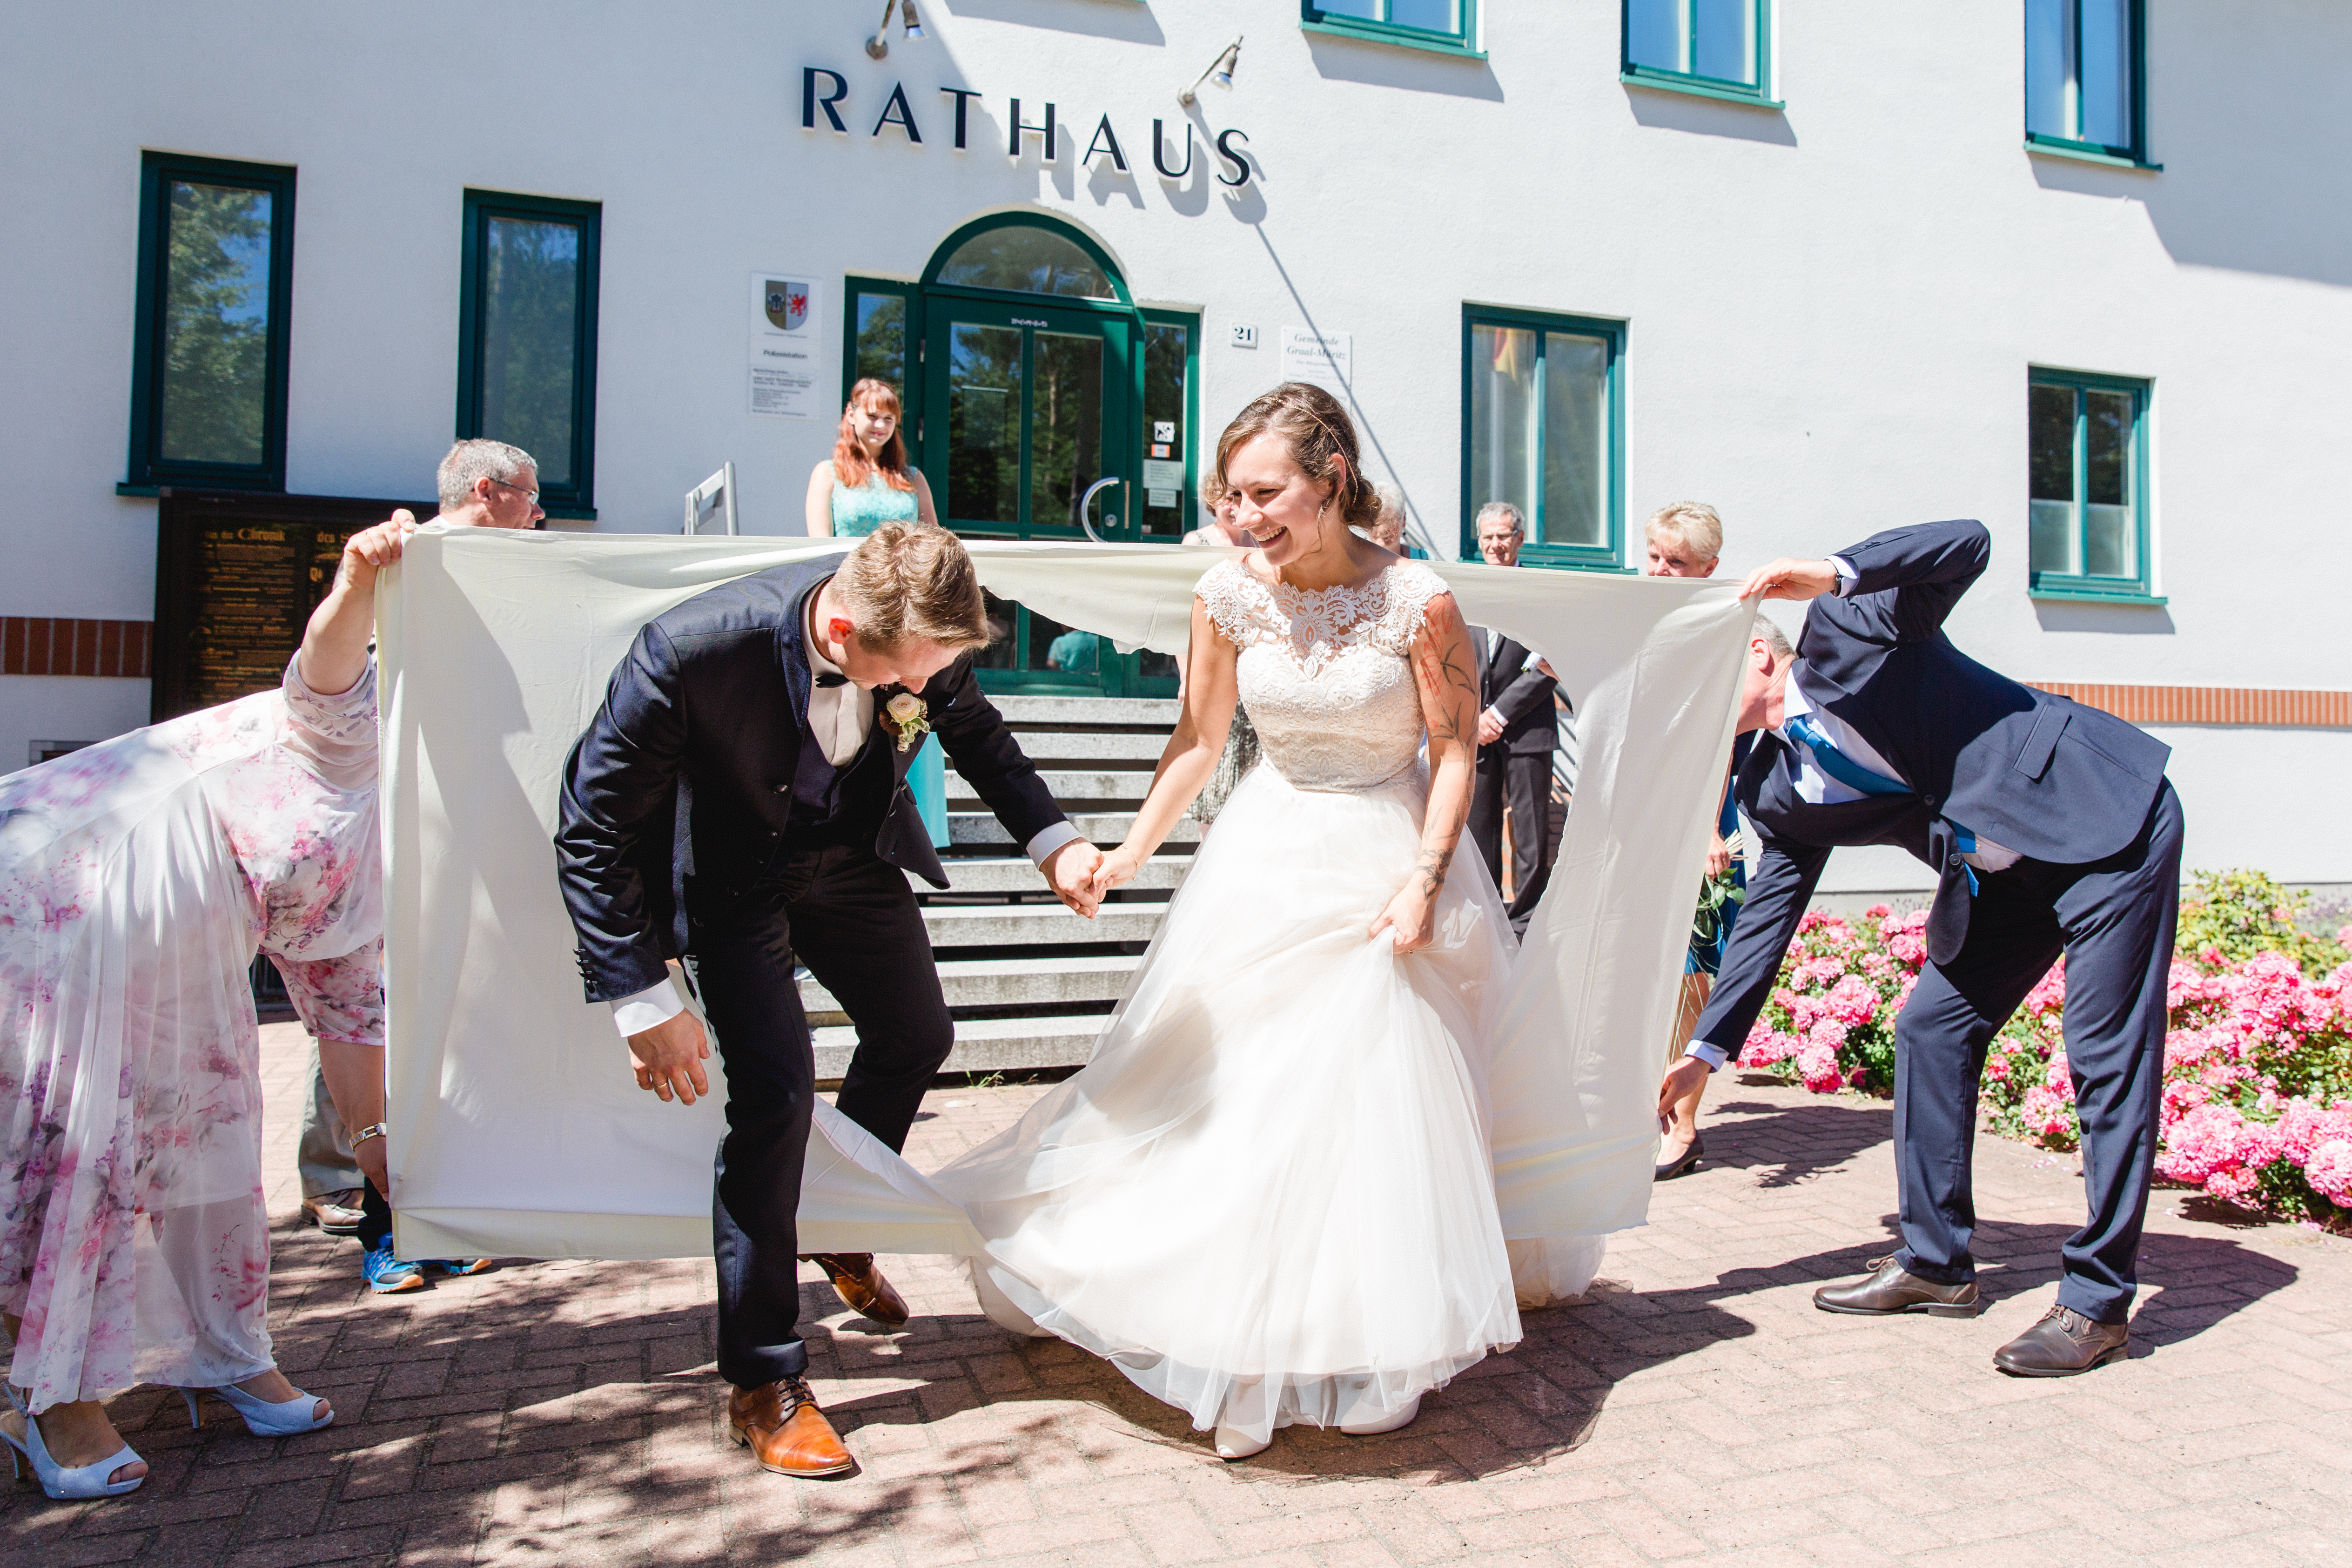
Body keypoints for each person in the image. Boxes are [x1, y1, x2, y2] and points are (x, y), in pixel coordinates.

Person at [935, 383, 1521, 1461]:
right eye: (1231, 494)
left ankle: (1363, 1338)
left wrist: (1427, 880)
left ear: (1331, 477)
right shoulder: (1226, 595)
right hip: (1262, 856)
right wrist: (1125, 851)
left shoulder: (1420, 603)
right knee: (1237, 1099)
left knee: (1359, 1112)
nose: (1243, 514)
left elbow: (1454, 752)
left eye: (1265, 492)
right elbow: (1200, 741)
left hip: (1383, 857)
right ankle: (1229, 1335)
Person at [554, 523, 1105, 1480]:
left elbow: (976, 733)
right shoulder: (690, 651)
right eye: (919, 672)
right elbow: (593, 824)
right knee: (774, 1099)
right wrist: (643, 996)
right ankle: (762, 1381)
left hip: (851, 859)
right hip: (731, 884)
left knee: (917, 1033)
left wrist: (1052, 840)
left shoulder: (922, 638)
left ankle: (838, 1219)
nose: (931, 688)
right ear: (845, 626)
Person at [1655, 519, 2183, 1377]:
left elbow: (1966, 543)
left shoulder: (1850, 630)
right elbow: (1766, 915)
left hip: (2103, 825)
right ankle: (1935, 1264)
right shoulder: (1772, 784)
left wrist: (1831, 572)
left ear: (1755, 653)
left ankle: (2095, 1302)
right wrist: (1704, 1052)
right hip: (2005, 878)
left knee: (2102, 1054)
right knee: (1930, 1029)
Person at [0, 515, 434, 1500]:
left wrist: (384, 1166)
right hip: (67, 905)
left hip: (189, 957)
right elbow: (325, 661)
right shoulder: (363, 729)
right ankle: (52, 1402)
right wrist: (358, 576)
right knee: (81, 1157)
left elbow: (347, 1012)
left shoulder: (422, 867)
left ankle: (224, 1354)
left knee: (219, 1135)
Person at [299, 439, 544, 1259]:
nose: (540, 511)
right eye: (531, 496)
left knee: (449, 1011)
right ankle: (372, 1207)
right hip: (376, 832)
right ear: (488, 490)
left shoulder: (509, 574)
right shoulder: (401, 564)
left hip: (466, 824)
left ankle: (438, 1205)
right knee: (367, 1010)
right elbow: (331, 680)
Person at [1643, 502, 1746, 1181]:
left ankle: (1683, 1124)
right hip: (1646, 809)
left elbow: (1723, 738)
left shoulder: (1721, 632)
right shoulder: (1650, 619)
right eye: (1653, 555)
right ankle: (1647, 1104)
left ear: (1708, 570)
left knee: (1690, 975)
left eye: (1675, 562)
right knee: (1648, 969)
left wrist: (1710, 829)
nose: (1658, 569)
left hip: (1701, 813)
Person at [805, 379, 949, 848]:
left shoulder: (912, 477)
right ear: (850, 415)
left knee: (909, 704)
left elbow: (933, 543)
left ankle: (908, 827)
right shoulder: (827, 473)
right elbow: (817, 544)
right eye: (872, 414)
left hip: (905, 612)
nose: (880, 425)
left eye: (889, 417)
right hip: (852, 606)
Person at [1464, 503, 1561, 939]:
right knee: (1476, 829)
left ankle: (1526, 924)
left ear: (1519, 539)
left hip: (1527, 729)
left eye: (1503, 536)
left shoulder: (1541, 591)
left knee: (1531, 836)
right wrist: (1472, 718)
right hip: (1475, 733)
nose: (1495, 545)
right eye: (1487, 537)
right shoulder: (1468, 592)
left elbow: (1548, 660)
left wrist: (1498, 713)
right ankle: (1486, 922)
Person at [1182, 476, 1259, 827]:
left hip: (1251, 677)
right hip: (1213, 671)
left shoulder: (1260, 543)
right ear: (1213, 501)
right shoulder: (1197, 542)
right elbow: (1183, 619)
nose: (1233, 506)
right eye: (1228, 498)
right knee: (1213, 777)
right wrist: (1187, 675)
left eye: (1239, 498)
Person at [1365, 482, 1408, 553]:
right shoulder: (1353, 559)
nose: (1382, 530)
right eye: (1376, 521)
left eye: (1389, 521)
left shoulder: (1425, 558)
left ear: (1403, 520)